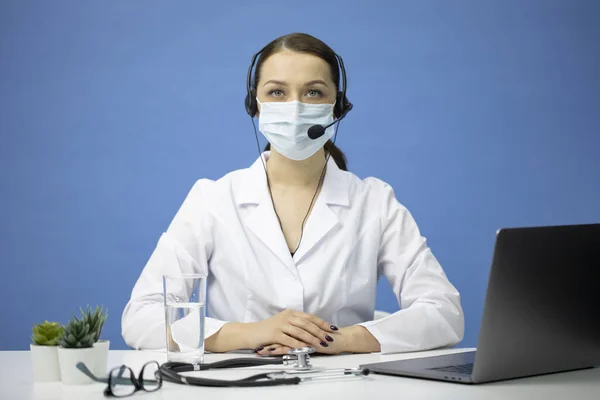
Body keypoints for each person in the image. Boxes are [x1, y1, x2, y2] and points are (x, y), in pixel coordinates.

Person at [121, 32, 464, 356]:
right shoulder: (213, 199)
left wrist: (338, 339)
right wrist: (253, 332)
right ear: (253, 104)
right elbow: (141, 318)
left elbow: (445, 312)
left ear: (338, 107)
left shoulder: (374, 201)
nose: (296, 107)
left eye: (313, 92)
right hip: (239, 386)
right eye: (277, 92)